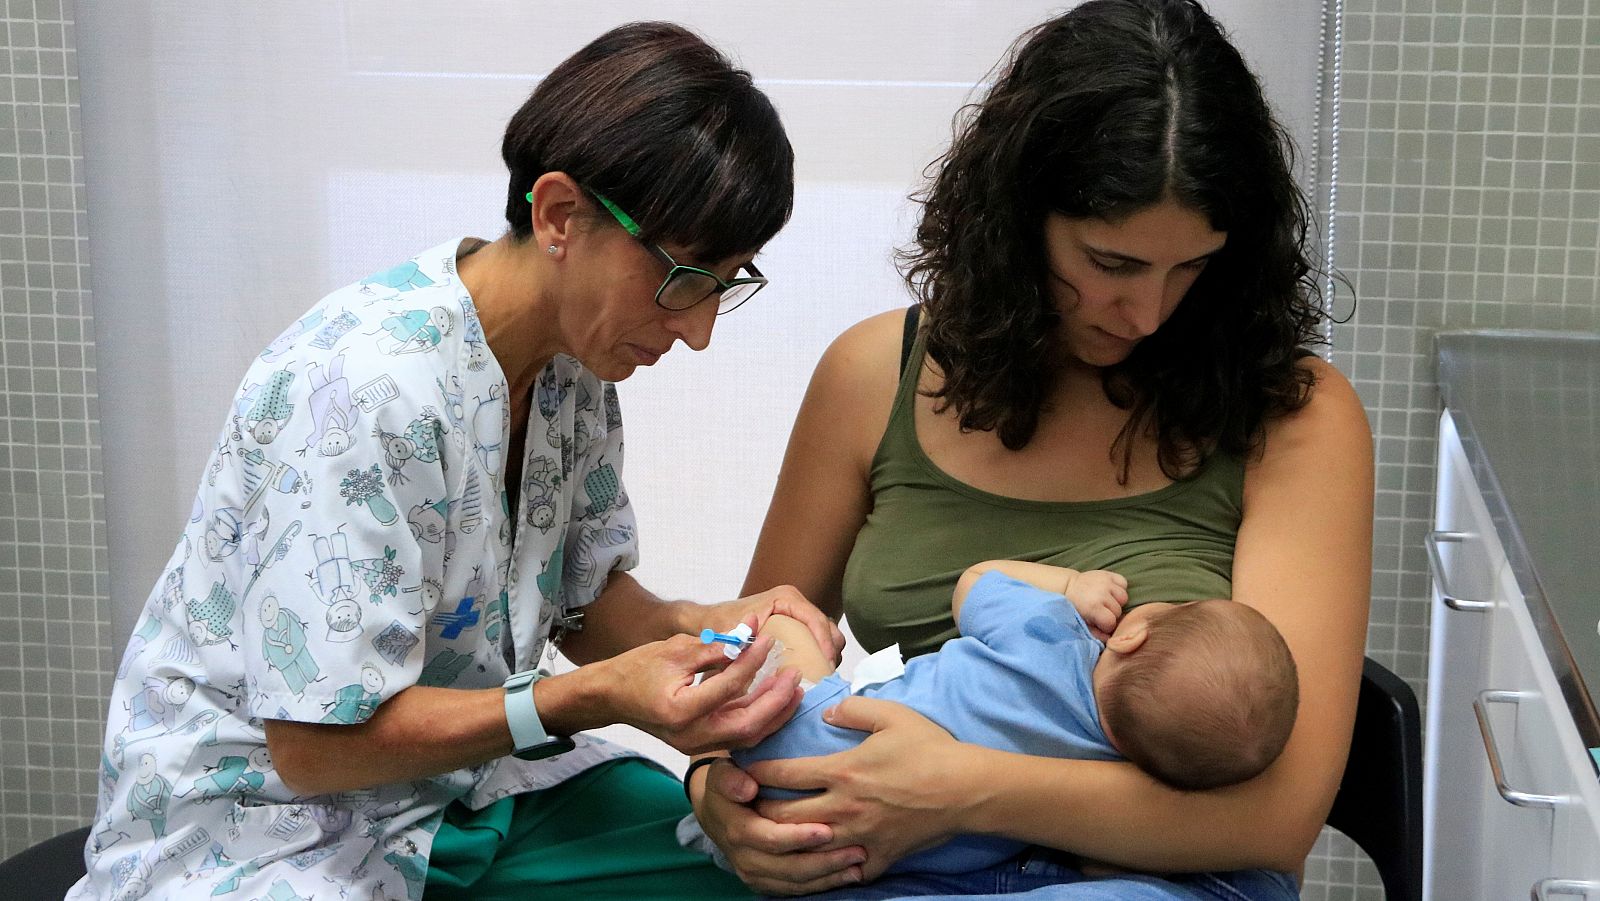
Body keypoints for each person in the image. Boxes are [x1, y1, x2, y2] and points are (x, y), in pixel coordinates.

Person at [73, 22, 846, 901]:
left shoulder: (573, 367)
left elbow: (580, 601)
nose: (698, 329)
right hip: (268, 823)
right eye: (683, 277)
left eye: (726, 284)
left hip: (461, 786)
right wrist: (589, 698)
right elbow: (315, 744)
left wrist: (709, 624)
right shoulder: (359, 389)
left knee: (756, 871)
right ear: (560, 216)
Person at [686, 0, 1374, 898]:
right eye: (1113, 264)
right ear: (1018, 220)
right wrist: (714, 792)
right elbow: (750, 661)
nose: (1151, 312)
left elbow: (1276, 820)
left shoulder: (1295, 416)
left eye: (1192, 266)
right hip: (883, 860)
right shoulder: (872, 376)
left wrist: (963, 792)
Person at [704, 559, 1298, 882]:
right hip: (875, 856)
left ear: (1135, 632)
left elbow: (973, 583)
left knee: (780, 622)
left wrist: (1070, 586)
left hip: (803, 738)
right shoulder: (1113, 776)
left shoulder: (1051, 634)